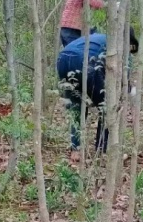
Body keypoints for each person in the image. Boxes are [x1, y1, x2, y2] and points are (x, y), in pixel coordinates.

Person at [57, 27, 138, 158]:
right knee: (108, 107)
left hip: (63, 58)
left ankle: (76, 150)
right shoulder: (121, 49)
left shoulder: (100, 38)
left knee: (76, 105)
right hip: (84, 61)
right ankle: (103, 149)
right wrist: (129, 90)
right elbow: (122, 82)